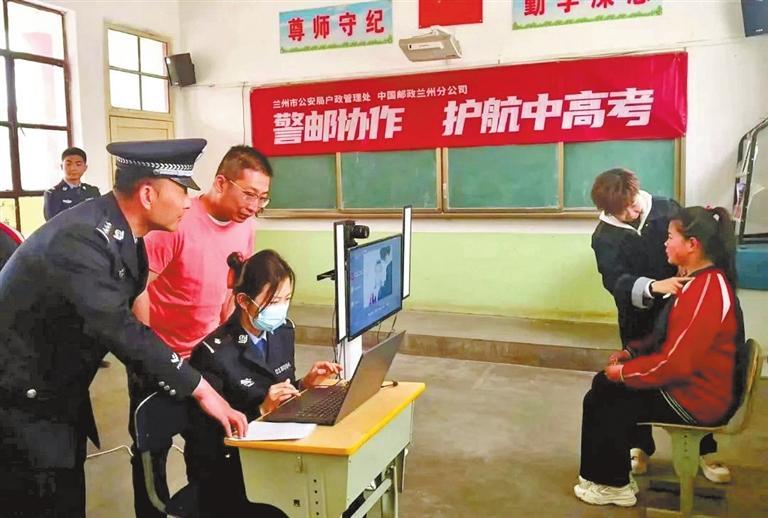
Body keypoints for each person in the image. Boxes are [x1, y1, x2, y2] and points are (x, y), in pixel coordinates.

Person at [0, 138, 247, 517]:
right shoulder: (81, 238)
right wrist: (201, 389)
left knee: (64, 497)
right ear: (148, 194)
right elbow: (119, 327)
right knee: (40, 502)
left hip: (56, 396)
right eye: (181, 191)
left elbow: (130, 316)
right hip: (20, 404)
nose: (187, 203)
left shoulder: (124, 234)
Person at [129, 145, 273, 517]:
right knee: (152, 452)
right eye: (249, 194)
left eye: (262, 197)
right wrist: (148, 352)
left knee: (209, 447)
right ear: (221, 183)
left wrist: (226, 342)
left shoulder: (246, 226)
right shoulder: (177, 222)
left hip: (207, 356)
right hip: (161, 357)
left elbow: (232, 286)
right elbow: (139, 289)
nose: (254, 206)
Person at [575, 206, 745, 507]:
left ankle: (612, 485)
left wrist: (624, 372)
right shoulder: (695, 280)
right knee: (603, 388)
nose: (665, 243)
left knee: (609, 396)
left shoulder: (706, 291)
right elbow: (663, 337)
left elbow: (674, 364)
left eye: (670, 237)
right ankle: (607, 478)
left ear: (692, 245)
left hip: (700, 399)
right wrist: (631, 352)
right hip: (692, 386)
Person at [589, 168, 728, 481]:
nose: (631, 213)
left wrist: (687, 277)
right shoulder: (604, 236)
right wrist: (653, 286)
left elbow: (695, 246)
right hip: (638, 314)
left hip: (684, 303)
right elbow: (615, 281)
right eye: (621, 212)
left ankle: (705, 449)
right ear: (608, 210)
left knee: (694, 373)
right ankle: (640, 446)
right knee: (636, 375)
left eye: (633, 204)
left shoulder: (666, 208)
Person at [184, 250, 343, 517]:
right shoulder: (212, 354)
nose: (281, 308)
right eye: (273, 301)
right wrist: (260, 411)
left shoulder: (282, 332)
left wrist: (305, 385)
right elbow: (204, 440)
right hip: (230, 472)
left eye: (287, 299)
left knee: (338, 490)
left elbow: (280, 388)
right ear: (244, 301)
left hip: (278, 453)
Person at [43, 147, 101, 221]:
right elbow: (52, 223)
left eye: (78, 164)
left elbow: (100, 218)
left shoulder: (93, 191)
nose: (73, 168)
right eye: (68, 164)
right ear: (62, 166)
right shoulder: (53, 194)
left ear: (85, 168)